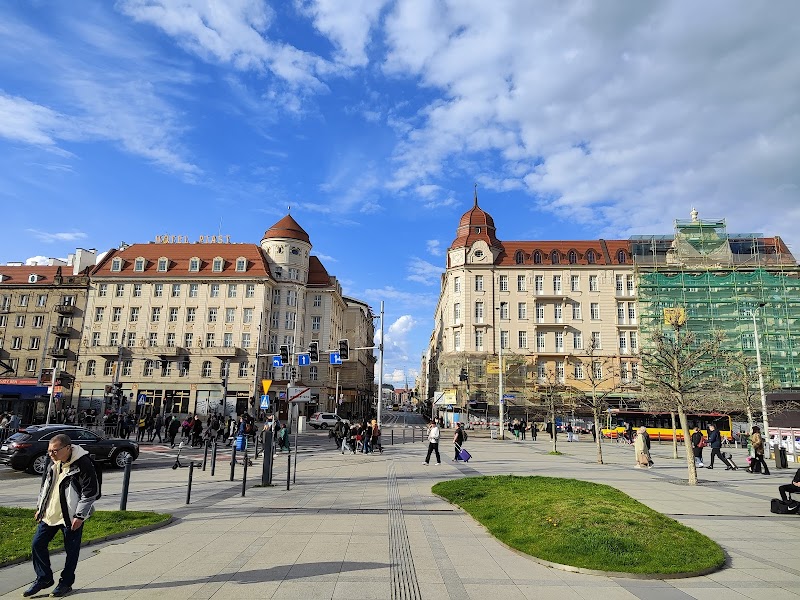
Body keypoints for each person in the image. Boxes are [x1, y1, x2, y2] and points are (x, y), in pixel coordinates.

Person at [24, 433, 99, 598]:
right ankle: (44, 578)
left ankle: (65, 583)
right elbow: (45, 486)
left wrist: (80, 516)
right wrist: (40, 508)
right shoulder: (52, 462)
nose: (51, 454)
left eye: (55, 451)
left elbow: (91, 492)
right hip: (50, 513)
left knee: (71, 552)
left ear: (68, 448)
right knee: (37, 544)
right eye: (49, 451)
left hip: (71, 517)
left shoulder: (83, 463)